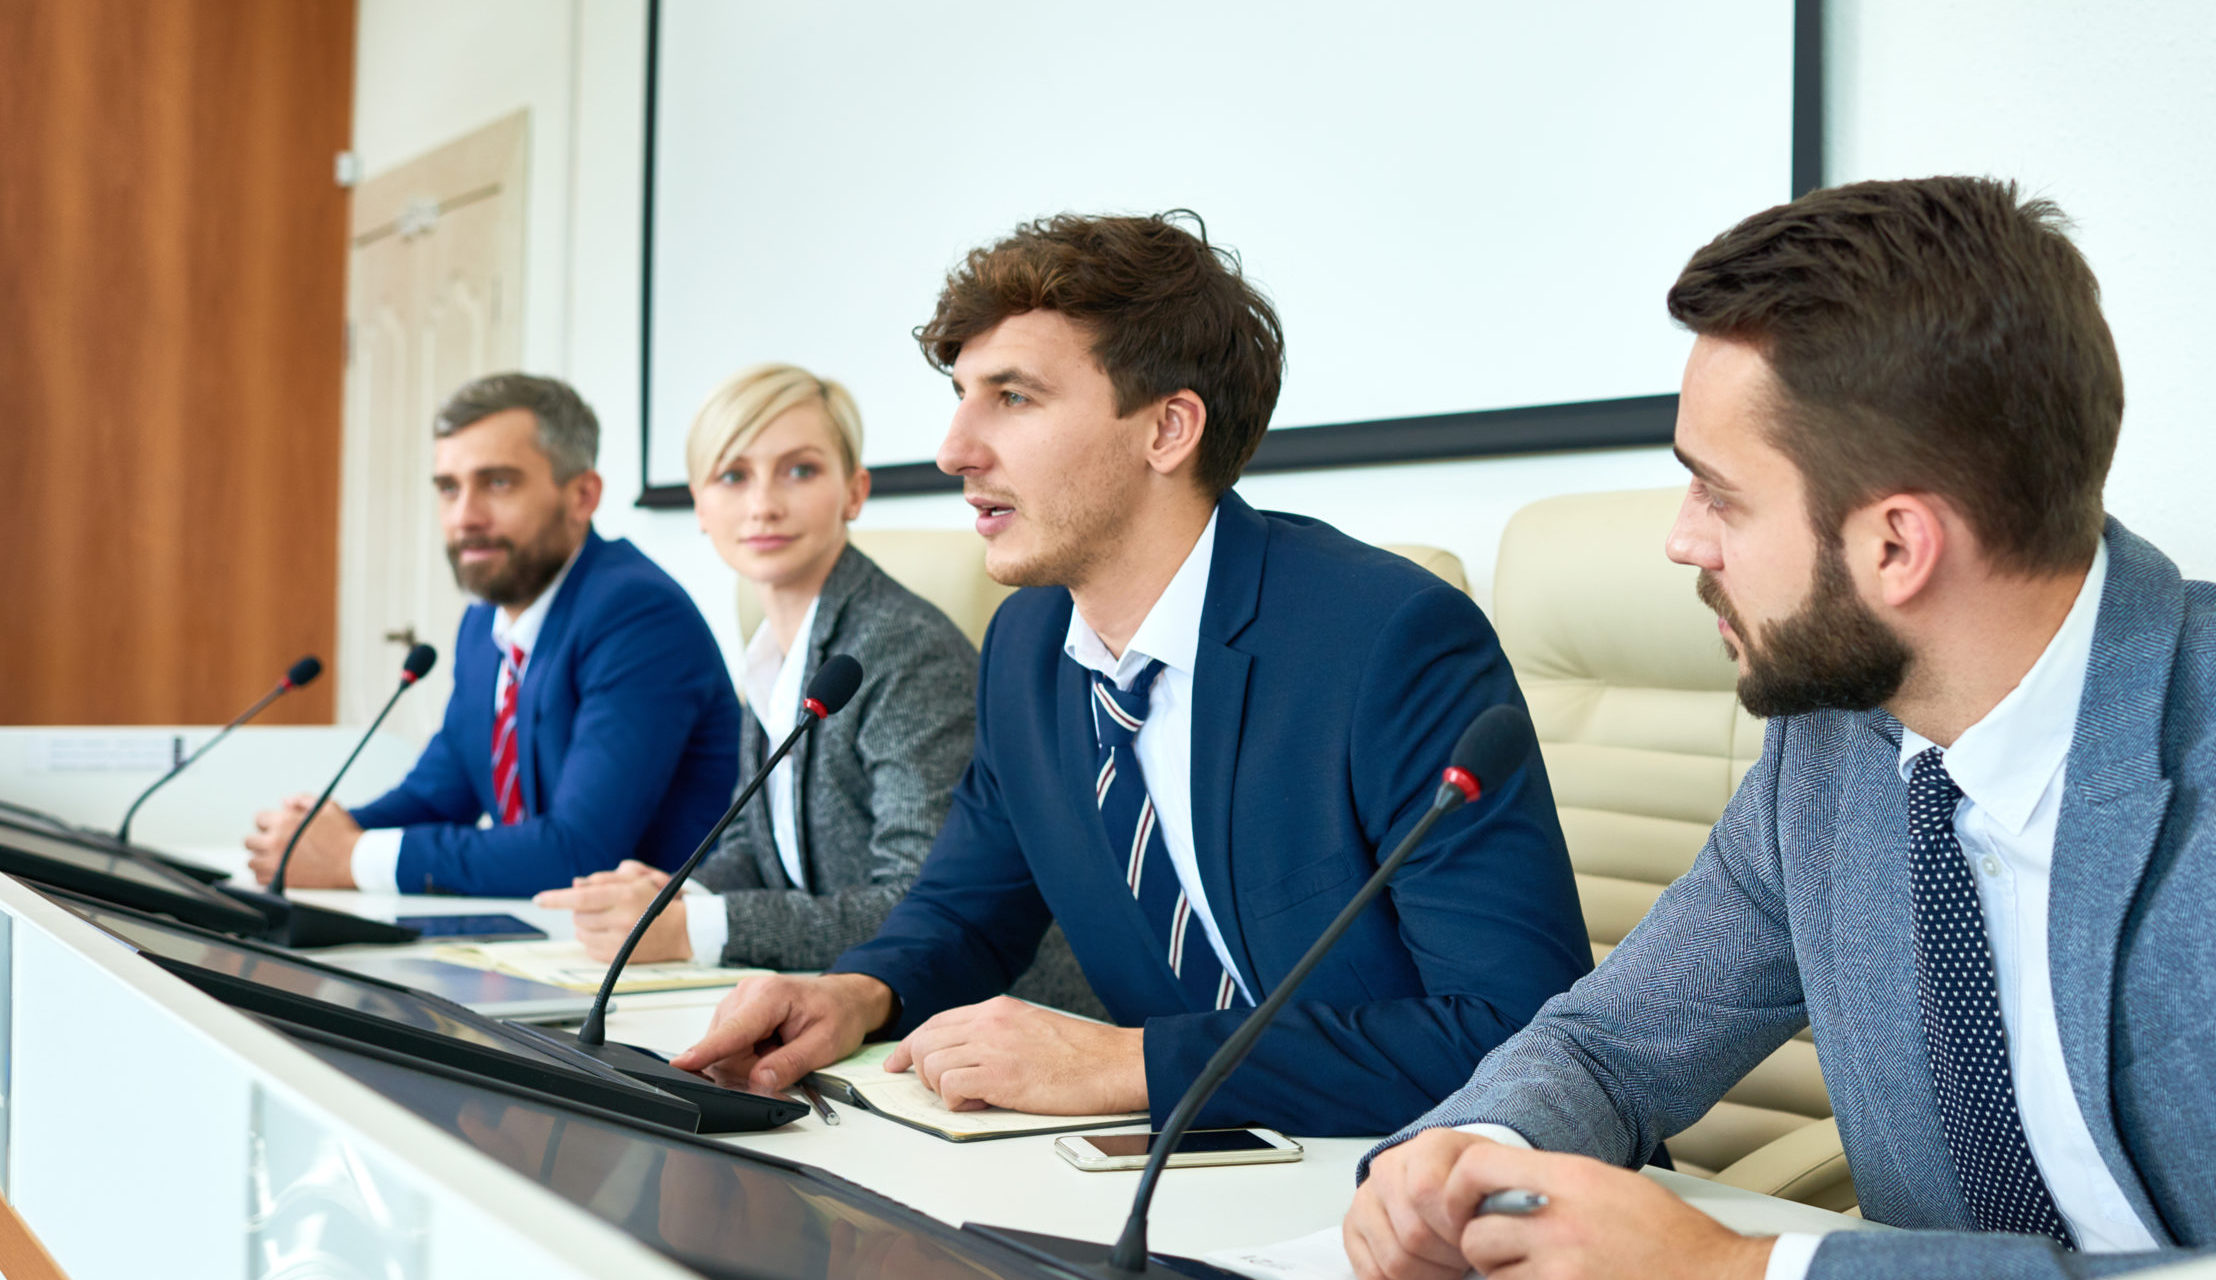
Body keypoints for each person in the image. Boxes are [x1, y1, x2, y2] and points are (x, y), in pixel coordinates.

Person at [1345, 177, 2216, 1279]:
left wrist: (1743, 1270)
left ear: (1895, 544)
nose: (1681, 538)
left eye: (1718, 490)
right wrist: (1466, 1152)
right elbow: (1613, 1046)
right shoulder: (1833, 749)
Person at [670, 212, 1592, 1138]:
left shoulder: (1387, 640)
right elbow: (965, 911)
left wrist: (1129, 1061)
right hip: (1194, 1176)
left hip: (1451, 1180)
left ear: (1168, 429)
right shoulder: (1027, 647)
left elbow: (1513, 1032)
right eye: (961, 395)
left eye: (1014, 398)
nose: (954, 450)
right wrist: (856, 994)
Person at [531, 363, 1096, 1013]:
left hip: (994, 1022)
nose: (763, 504)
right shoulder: (772, 649)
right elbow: (754, 850)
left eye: (800, 471)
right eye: (732, 476)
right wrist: (674, 897)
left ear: (854, 493)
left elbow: (918, 904)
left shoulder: (901, 649)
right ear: (700, 506)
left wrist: (700, 928)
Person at [245, 374, 739, 897]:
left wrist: (353, 857)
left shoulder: (637, 615)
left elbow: (579, 852)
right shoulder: (484, 623)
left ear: (582, 496)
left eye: (498, 483)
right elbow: (440, 794)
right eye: (449, 488)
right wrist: (320, 835)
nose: (465, 517)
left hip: (656, 958)